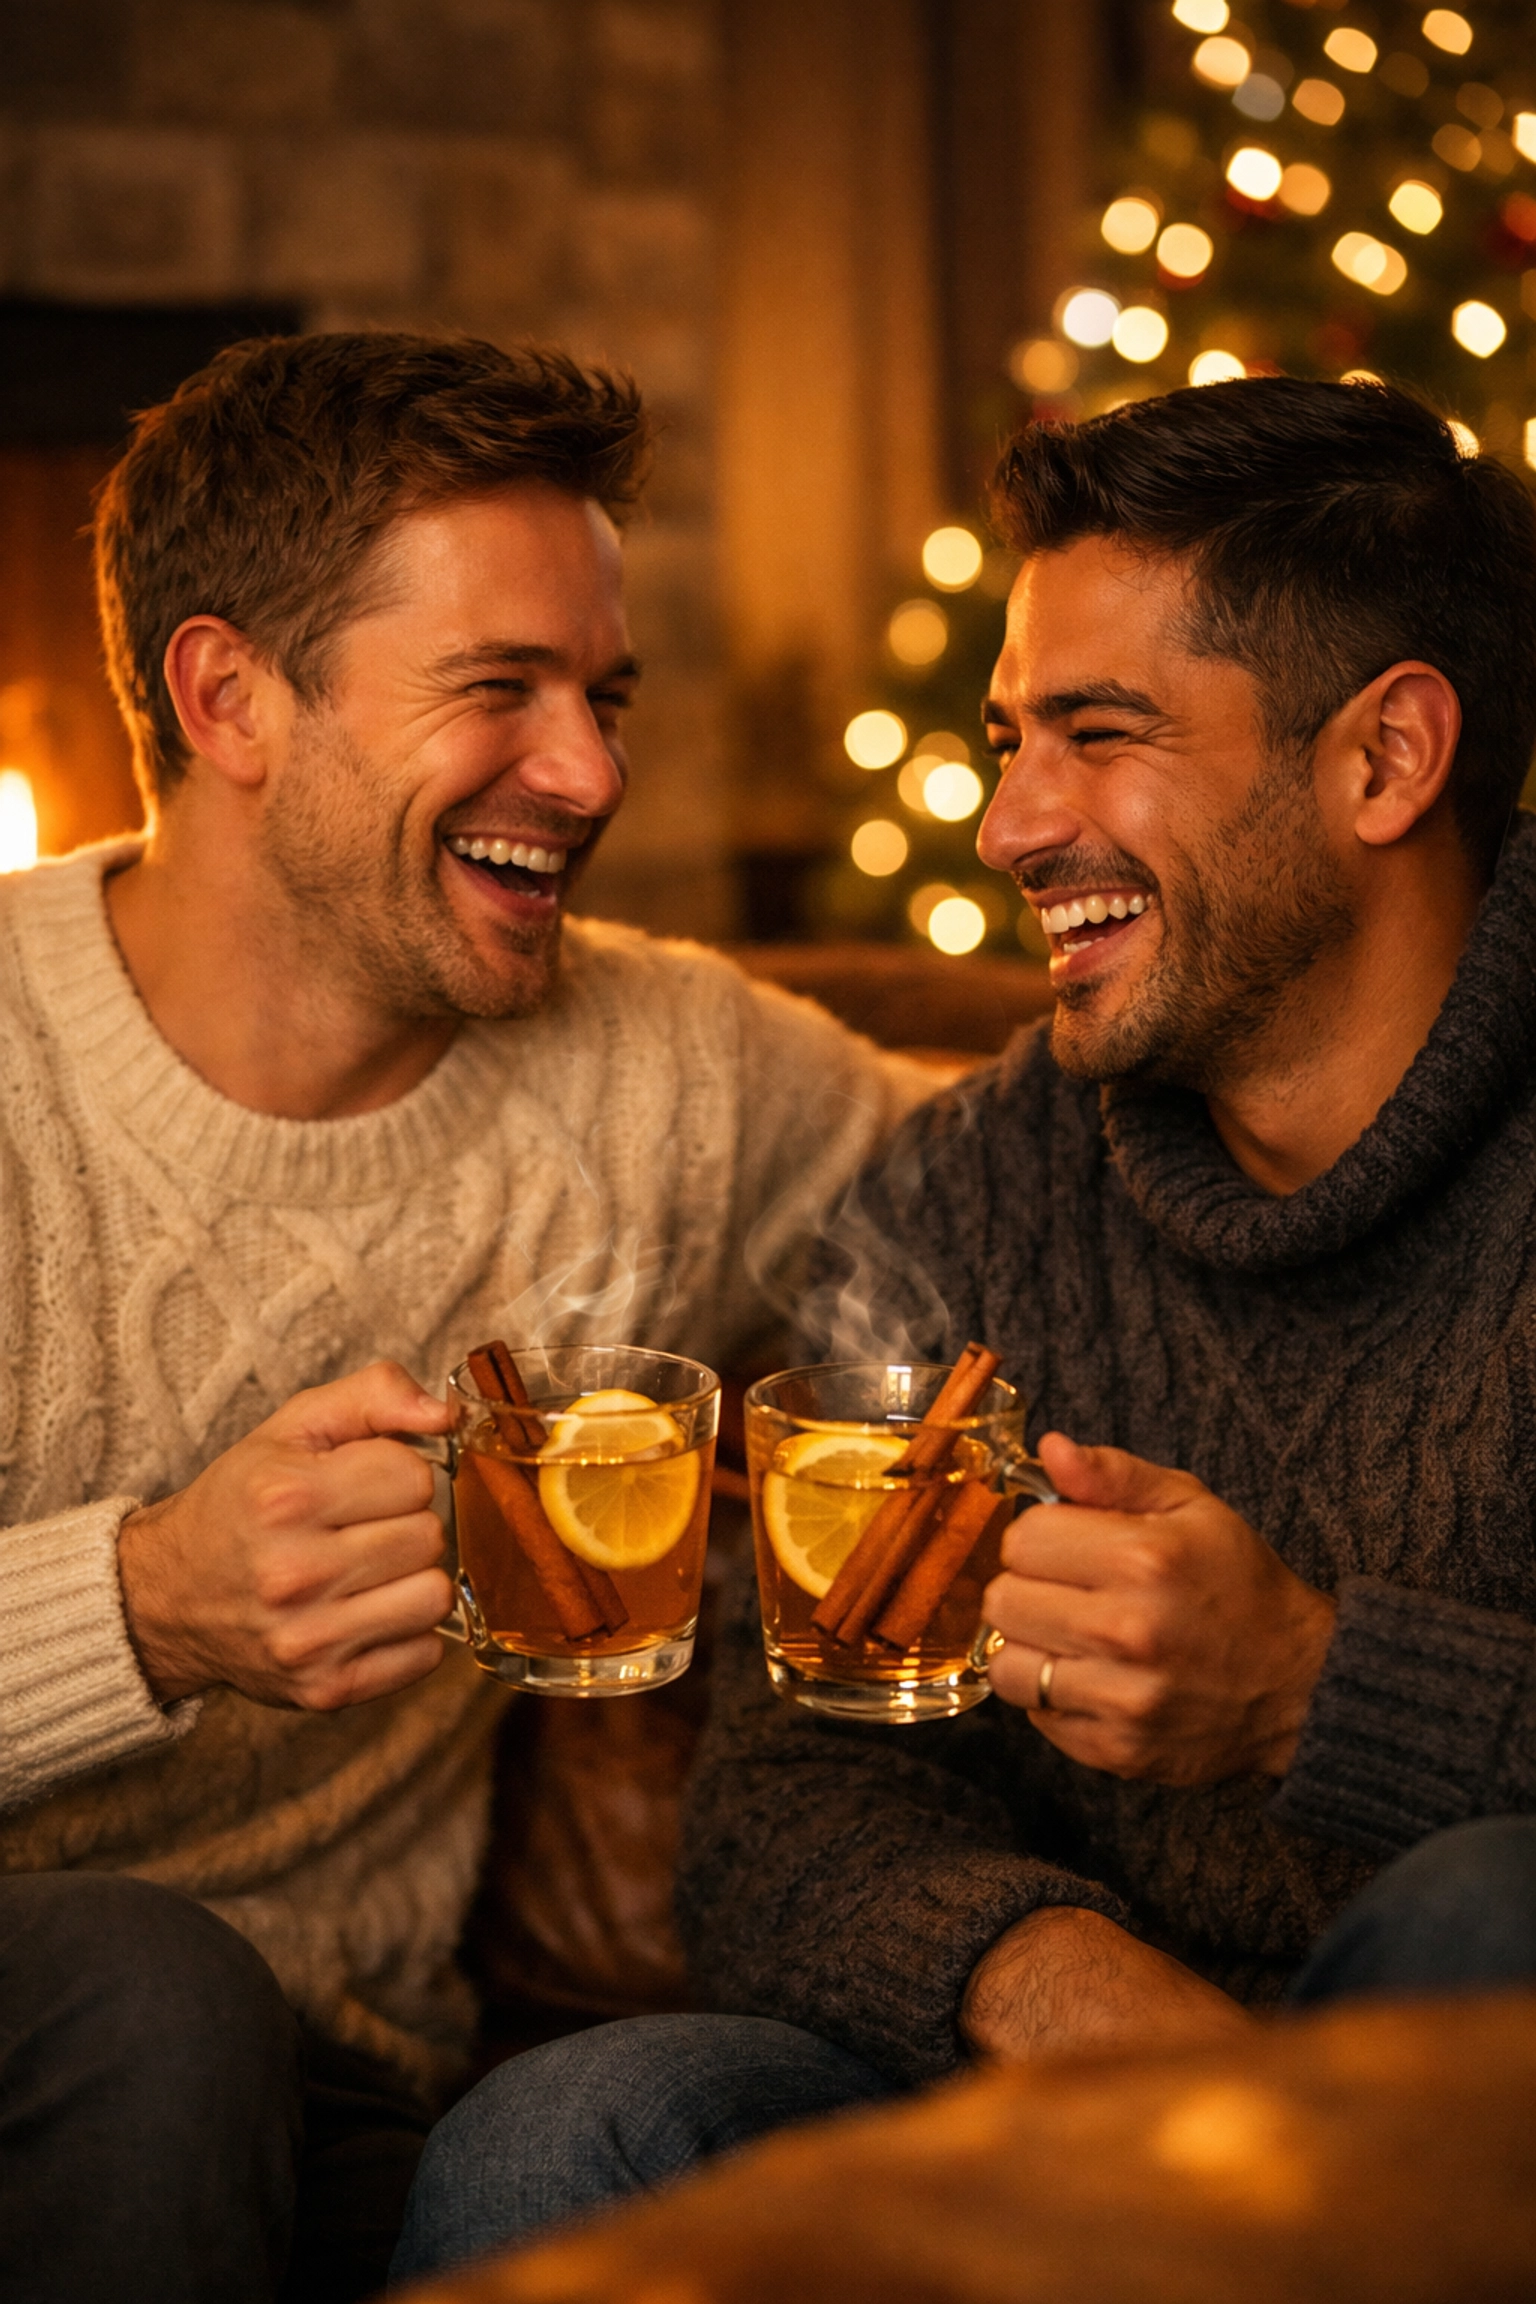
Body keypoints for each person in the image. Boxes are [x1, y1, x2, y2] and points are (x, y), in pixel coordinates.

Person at [391, 376, 1536, 2279]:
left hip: (1460, 2082)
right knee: (570, 2131)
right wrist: (1067, 1997)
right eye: (1010, 740)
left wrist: (1316, 1691)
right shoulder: (983, 1185)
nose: (1010, 825)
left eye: (1099, 735)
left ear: (1388, 759)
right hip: (1068, 2090)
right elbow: (783, 1786)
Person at [0, 330, 932, 2304]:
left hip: (335, 2107)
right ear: (230, 697)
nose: (591, 774)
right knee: (152, 1991)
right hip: (61, 2039)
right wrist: (143, 1603)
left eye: (602, 695)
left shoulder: (667, 1074)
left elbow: (1057, 1178)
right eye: (499, 691)